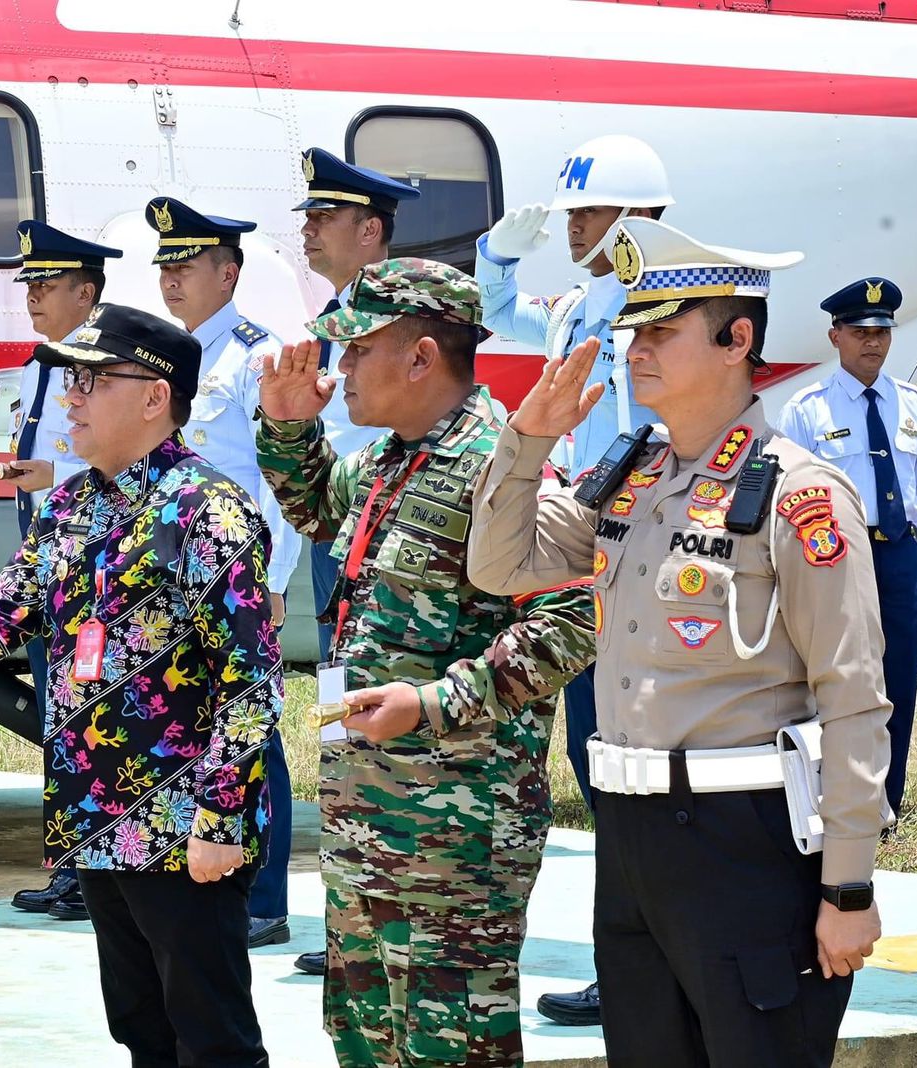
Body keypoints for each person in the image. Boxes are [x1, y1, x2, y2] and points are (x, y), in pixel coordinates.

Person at [468, 217, 891, 1067]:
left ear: (737, 342)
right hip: (631, 834)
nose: (637, 350)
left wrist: (848, 886)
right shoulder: (631, 479)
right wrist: (530, 437)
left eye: (663, 331)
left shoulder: (798, 494)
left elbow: (853, 694)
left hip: (747, 839)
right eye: (635, 331)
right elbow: (499, 564)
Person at [0, 304, 281, 1067]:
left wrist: (220, 818)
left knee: (213, 1040)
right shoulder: (74, 505)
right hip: (98, 815)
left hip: (183, 825)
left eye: (92, 381)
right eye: (71, 379)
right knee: (141, 1030)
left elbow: (251, 682)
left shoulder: (207, 512)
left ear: (155, 397)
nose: (70, 397)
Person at [256, 259, 596, 1066]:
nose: (341, 369)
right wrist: (288, 428)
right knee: (364, 1041)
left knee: (451, 1048)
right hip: (365, 816)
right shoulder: (389, 459)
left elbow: (574, 616)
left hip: (455, 832)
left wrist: (436, 701)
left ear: (421, 358)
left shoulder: (500, 466)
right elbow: (315, 506)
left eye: (358, 349)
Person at [475, 134, 674, 1025]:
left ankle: (650, 964)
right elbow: (492, 308)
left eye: (589, 213)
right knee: (600, 764)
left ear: (641, 217)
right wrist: (496, 252)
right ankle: (628, 966)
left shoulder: (667, 305)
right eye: (570, 214)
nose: (573, 228)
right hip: (585, 549)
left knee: (644, 765)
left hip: (653, 547)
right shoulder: (573, 309)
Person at [145, 195, 299, 949]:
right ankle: (201, 884)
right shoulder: (165, 359)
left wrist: (273, 580)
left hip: (236, 576)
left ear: (228, 273)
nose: (171, 279)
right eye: (165, 266)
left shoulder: (255, 358)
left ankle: (264, 899)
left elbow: (281, 482)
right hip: (170, 578)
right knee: (181, 727)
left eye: (187, 265)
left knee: (251, 735)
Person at [288, 146, 420, 977]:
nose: (307, 231)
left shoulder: (402, 319)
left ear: (370, 230)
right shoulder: (333, 319)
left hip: (396, 541)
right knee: (340, 727)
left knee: (388, 731)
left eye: (324, 217)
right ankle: (350, 922)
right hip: (338, 537)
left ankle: (390, 918)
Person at [777, 278, 917, 820]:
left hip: (900, 558)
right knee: (837, 680)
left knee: (900, 678)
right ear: (836, 336)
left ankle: (885, 803)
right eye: (860, 331)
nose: (873, 341)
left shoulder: (914, 405)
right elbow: (789, 498)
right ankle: (833, 798)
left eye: (881, 332)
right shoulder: (808, 410)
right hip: (838, 557)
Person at [1, 220, 122, 922]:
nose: (33, 298)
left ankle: (97, 870)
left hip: (96, 570)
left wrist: (56, 472)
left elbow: (127, 459)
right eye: (30, 286)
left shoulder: (111, 369)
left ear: (87, 292)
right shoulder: (38, 365)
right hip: (51, 564)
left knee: (93, 720)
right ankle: (71, 865)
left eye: (47, 285)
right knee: (59, 720)